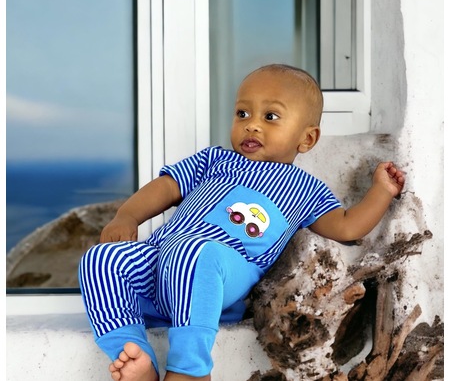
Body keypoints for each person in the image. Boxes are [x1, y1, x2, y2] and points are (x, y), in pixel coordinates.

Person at [78, 63, 405, 381]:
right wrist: (127, 216)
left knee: (194, 252)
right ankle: (136, 358)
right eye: (242, 114)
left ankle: (190, 369)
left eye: (270, 117)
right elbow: (167, 187)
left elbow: (347, 226)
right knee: (100, 260)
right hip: (159, 266)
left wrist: (381, 191)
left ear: (307, 138)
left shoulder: (305, 189)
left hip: (218, 275)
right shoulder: (214, 159)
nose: (252, 126)